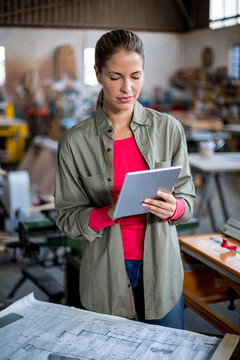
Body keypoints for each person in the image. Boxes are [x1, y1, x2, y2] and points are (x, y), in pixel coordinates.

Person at [54, 29, 196, 329]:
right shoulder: (74, 142)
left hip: (162, 267)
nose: (127, 88)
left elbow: (187, 200)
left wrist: (175, 209)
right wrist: (107, 213)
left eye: (136, 75)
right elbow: (67, 218)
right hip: (104, 272)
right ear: (98, 74)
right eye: (115, 76)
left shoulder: (168, 129)